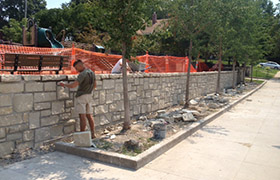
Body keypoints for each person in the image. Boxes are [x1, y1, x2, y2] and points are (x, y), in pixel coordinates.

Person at [59, 60, 96, 139]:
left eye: (76, 68)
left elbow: (73, 85)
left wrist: (64, 85)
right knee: (89, 115)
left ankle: (82, 136)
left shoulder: (82, 74)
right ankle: (93, 134)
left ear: (80, 65)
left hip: (81, 96)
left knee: (82, 116)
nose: (76, 70)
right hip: (89, 95)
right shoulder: (92, 73)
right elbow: (95, 86)